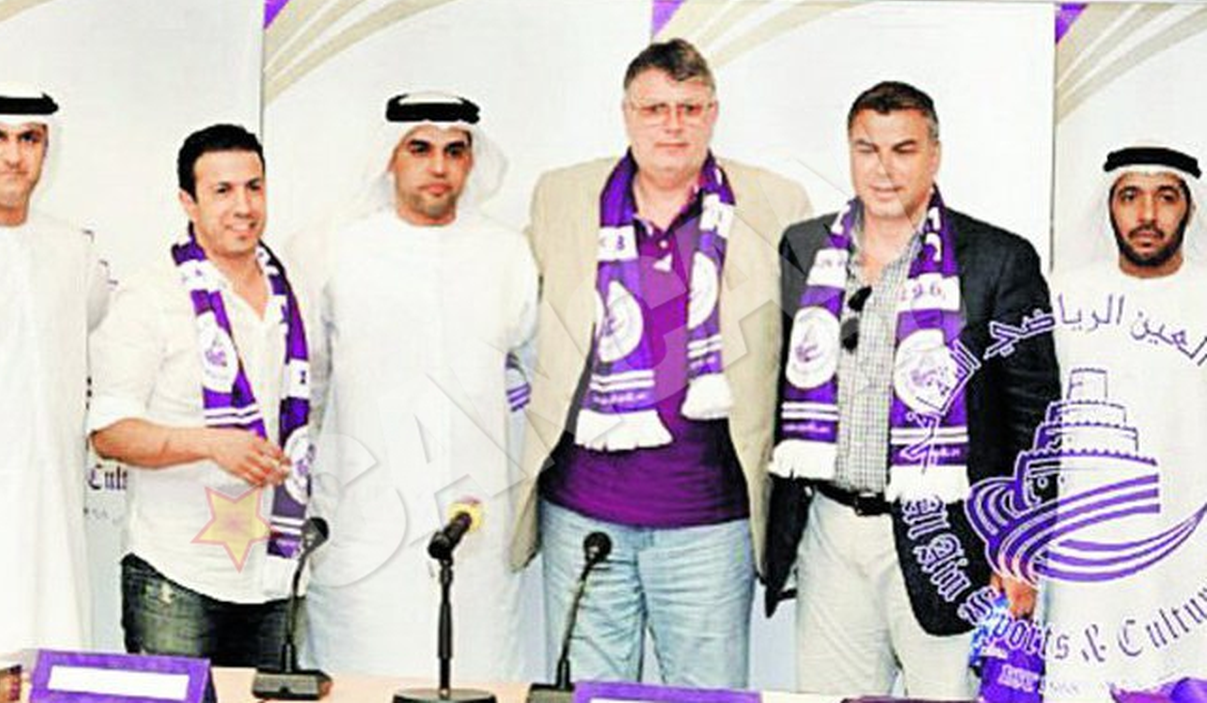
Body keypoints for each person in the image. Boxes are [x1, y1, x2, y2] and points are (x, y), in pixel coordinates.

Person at [512, 38, 812, 688]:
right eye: (654, 109)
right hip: (583, 514)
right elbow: (510, 318)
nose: (672, 125)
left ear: (712, 113)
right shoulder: (563, 196)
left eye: (689, 108)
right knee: (591, 697)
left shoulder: (775, 203)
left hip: (710, 520)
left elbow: (806, 349)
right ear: (626, 113)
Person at [763, 80, 1060, 699]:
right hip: (831, 529)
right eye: (867, 149)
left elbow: (1036, 420)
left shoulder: (997, 259)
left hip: (949, 539)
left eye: (903, 150)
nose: (884, 170)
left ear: (935, 155)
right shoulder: (805, 248)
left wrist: (1019, 547)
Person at [288, 91, 535, 679]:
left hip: (474, 520)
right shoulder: (333, 249)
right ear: (390, 157)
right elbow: (304, 386)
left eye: (455, 151)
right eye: (419, 149)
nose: (438, 167)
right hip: (364, 516)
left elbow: (536, 371)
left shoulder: (507, 254)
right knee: (360, 674)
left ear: (473, 161)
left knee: (474, 673)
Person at [89, 124, 315, 667]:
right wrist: (213, 444)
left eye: (254, 187)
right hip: (177, 574)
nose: (244, 207)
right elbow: (110, 433)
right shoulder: (151, 296)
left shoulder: (296, 292)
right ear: (187, 202)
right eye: (222, 191)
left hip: (277, 573)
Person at [0, 86, 108, 656]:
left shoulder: (73, 253)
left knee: (48, 662)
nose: (14, 156)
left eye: (30, 139)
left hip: (50, 530)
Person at [1044, 145, 1207, 701]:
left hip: (1192, 553)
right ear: (1108, 206)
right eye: (1130, 196)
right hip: (1086, 550)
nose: (1148, 215)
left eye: (1167, 197)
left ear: (1189, 208)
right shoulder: (1064, 295)